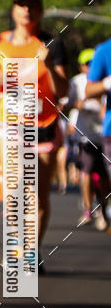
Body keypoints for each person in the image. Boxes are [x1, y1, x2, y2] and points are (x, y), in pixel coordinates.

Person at [0, 0, 69, 272]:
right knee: (14, 190)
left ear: (41, 11)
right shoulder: (0, 45)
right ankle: (16, 249)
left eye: (33, 6)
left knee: (37, 194)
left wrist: (47, 65)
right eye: (21, 5)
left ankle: (32, 251)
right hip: (10, 124)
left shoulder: (52, 44)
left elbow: (62, 91)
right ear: (13, 10)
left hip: (44, 126)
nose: (27, 11)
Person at [68, 48, 109, 227]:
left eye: (93, 63)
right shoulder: (77, 82)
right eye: (87, 64)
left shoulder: (106, 79)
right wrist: (80, 105)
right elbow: (66, 102)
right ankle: (87, 209)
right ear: (81, 66)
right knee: (86, 171)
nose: (91, 66)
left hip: (105, 134)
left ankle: (102, 208)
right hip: (85, 136)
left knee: (105, 176)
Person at [85, 37, 111, 227]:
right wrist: (106, 84)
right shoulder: (104, 50)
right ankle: (95, 208)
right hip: (106, 132)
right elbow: (89, 90)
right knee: (90, 172)